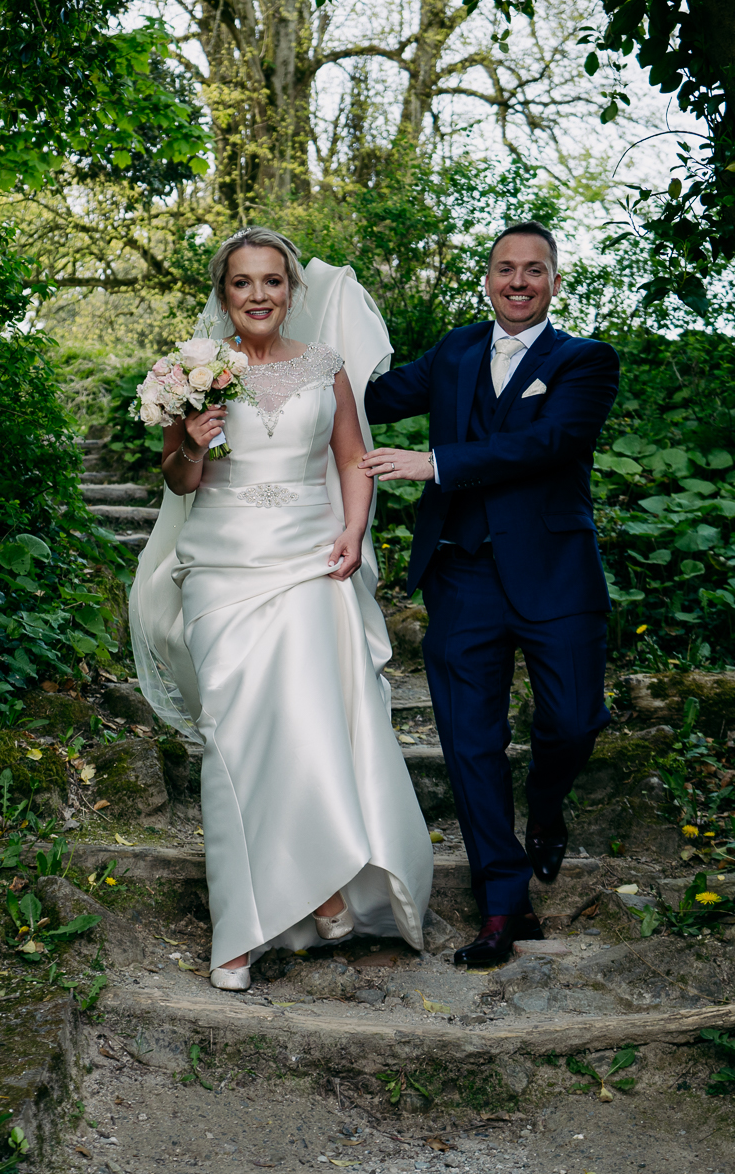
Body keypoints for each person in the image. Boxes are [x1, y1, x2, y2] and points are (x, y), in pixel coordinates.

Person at [129, 227, 434, 992]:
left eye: (272, 281)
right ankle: (301, 901)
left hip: (305, 563)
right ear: (223, 292)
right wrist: (192, 442)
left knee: (302, 727)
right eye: (242, 283)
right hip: (221, 569)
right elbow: (179, 480)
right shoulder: (190, 372)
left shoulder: (323, 367)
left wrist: (354, 533)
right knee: (232, 733)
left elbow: (351, 459)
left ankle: (295, 906)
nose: (258, 295)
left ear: (292, 291)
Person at [358, 221, 619, 966]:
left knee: (572, 722)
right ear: (487, 277)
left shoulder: (586, 361)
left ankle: (544, 805)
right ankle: (502, 903)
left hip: (556, 574)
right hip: (461, 573)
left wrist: (433, 463)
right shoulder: (455, 350)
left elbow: (549, 444)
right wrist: (280, 359)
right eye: (505, 268)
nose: (518, 281)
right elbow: (370, 400)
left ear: (554, 282)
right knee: (470, 744)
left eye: (534, 270)